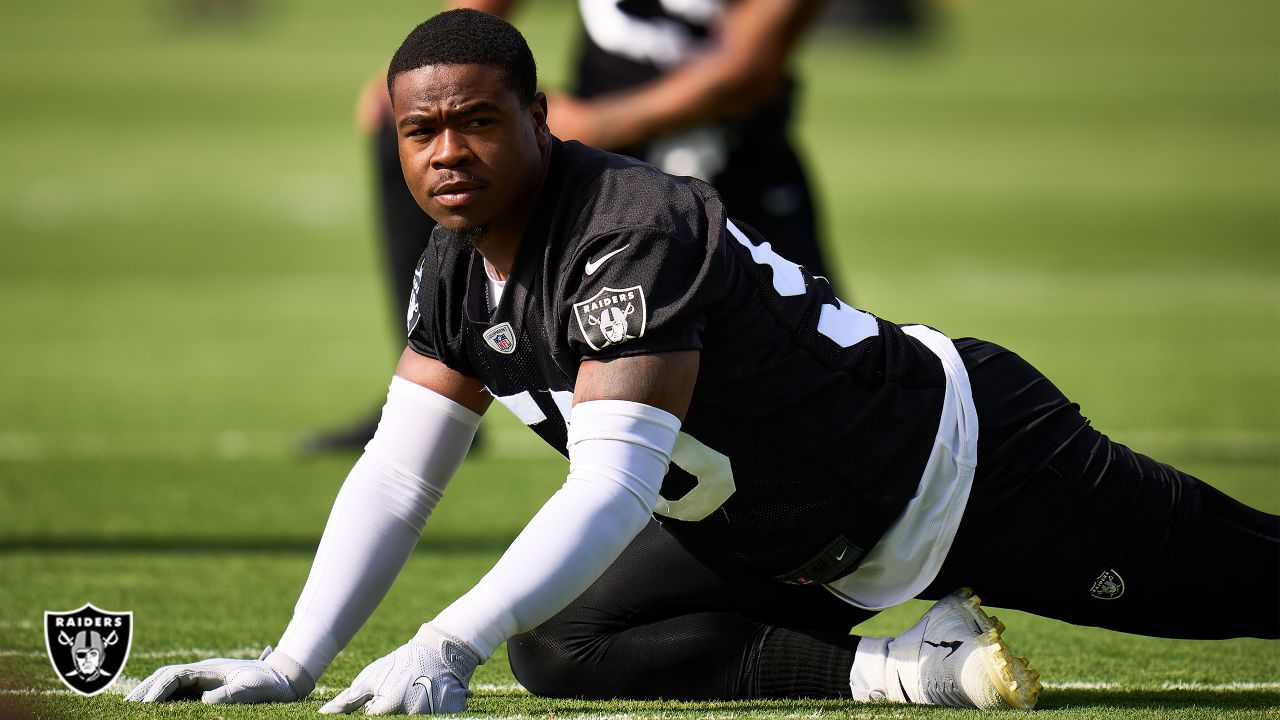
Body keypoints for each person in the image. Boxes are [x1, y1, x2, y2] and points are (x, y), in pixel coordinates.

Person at [128, 10, 1279, 714]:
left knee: (1250, 586)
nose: (445, 153)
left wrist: (443, 643)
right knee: (566, 643)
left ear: (540, 114)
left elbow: (615, 481)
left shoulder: (625, 221)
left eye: (475, 121)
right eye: (420, 132)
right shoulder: (449, 263)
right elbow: (398, 473)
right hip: (786, 538)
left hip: (956, 473)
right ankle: (909, 672)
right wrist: (291, 659)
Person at [304, 0, 837, 453]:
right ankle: (439, 384)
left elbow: (747, 69)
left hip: (732, 169)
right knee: (411, 134)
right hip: (592, 167)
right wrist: (434, 79)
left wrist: (597, 123)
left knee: (816, 393)